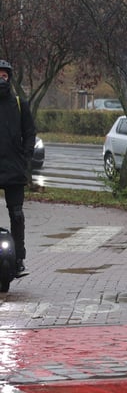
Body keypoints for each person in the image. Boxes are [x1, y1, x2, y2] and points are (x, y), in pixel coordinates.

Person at [0, 60, 35, 278]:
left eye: (4, 76)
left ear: (9, 78)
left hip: (14, 168)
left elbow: (30, 133)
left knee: (17, 215)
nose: (1, 80)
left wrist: (25, 158)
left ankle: (19, 259)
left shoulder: (20, 104)